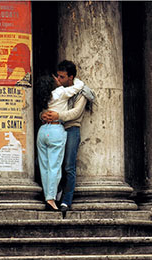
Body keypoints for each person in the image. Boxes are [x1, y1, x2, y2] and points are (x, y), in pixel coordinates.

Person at [40, 66, 95, 214]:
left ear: (70, 78)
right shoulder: (59, 92)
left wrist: (58, 116)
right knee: (55, 165)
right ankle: (54, 196)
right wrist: (44, 115)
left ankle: (66, 200)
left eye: (62, 77)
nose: (59, 79)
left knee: (68, 166)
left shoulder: (81, 93)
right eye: (57, 76)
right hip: (56, 129)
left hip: (70, 129)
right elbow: (48, 107)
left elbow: (76, 113)